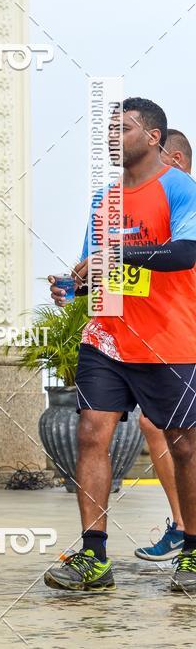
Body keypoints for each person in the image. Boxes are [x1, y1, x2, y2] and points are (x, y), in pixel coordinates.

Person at [45, 99, 196, 593]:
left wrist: (119, 251)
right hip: (108, 337)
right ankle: (94, 556)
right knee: (92, 433)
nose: (112, 136)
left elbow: (185, 252)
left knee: (184, 446)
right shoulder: (103, 200)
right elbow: (104, 271)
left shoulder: (179, 186)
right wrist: (74, 287)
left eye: (123, 128)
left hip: (170, 340)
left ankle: (192, 554)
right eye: (109, 129)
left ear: (153, 137)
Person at [135, 128, 193, 561]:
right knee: (156, 425)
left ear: (173, 160)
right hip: (165, 336)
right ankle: (181, 525)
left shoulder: (183, 197)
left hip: (183, 337)